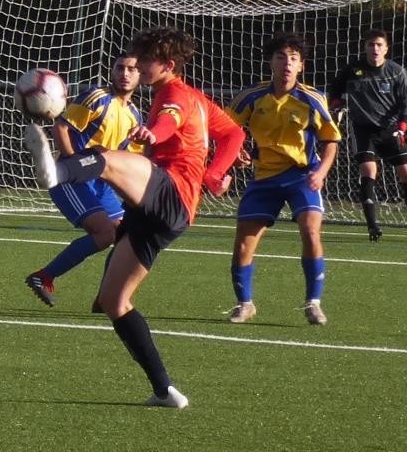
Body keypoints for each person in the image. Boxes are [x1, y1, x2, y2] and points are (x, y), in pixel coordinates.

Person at [23, 27, 244, 409]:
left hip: (171, 192)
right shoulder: (198, 100)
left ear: (168, 65)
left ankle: (58, 173)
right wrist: (214, 175)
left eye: (145, 60)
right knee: (114, 301)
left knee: (107, 160)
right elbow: (235, 135)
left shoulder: (174, 95)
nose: (138, 66)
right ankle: (164, 390)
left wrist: (153, 134)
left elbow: (169, 121)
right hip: (163, 214)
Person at [225, 32, 341, 326]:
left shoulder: (312, 98)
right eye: (281, 57)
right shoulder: (251, 96)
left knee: (310, 230)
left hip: (302, 175)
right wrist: (235, 152)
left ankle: (313, 302)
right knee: (244, 243)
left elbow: (330, 140)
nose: (287, 63)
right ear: (271, 62)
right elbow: (226, 130)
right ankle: (245, 303)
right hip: (264, 177)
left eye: (293, 58)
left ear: (301, 65)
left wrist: (321, 171)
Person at [25, 53, 143, 308]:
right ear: (112, 71)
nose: (124, 73)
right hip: (72, 180)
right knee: (105, 233)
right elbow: (61, 128)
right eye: (120, 68)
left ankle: (106, 297)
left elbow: (127, 159)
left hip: (102, 184)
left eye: (131, 69)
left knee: (128, 236)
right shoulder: (97, 97)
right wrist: (74, 164)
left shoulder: (135, 115)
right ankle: (44, 276)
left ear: (140, 75)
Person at [328, 29, 407, 243]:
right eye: (371, 44)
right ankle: (372, 226)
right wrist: (336, 104)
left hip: (390, 129)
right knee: (368, 170)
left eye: (379, 44)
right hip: (363, 129)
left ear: (386, 49)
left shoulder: (396, 72)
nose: (375, 48)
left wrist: (402, 125)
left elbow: (406, 102)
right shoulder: (353, 70)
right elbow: (334, 90)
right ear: (365, 47)